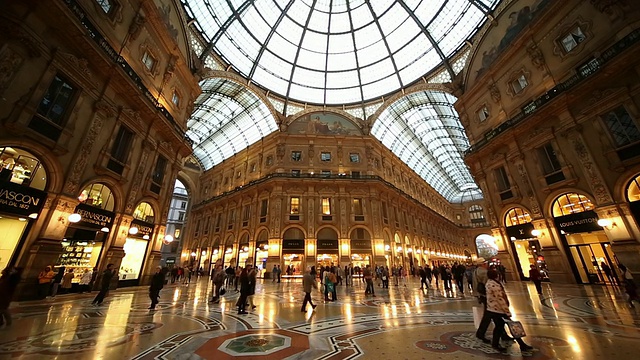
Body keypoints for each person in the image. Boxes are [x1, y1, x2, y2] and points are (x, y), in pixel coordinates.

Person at [485, 269, 533, 352]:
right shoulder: (494, 285)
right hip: (499, 310)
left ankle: (497, 344)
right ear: (496, 275)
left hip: (493, 309)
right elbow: (500, 299)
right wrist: (507, 311)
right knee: (512, 327)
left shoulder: (489, 283)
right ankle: (521, 345)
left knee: (500, 328)